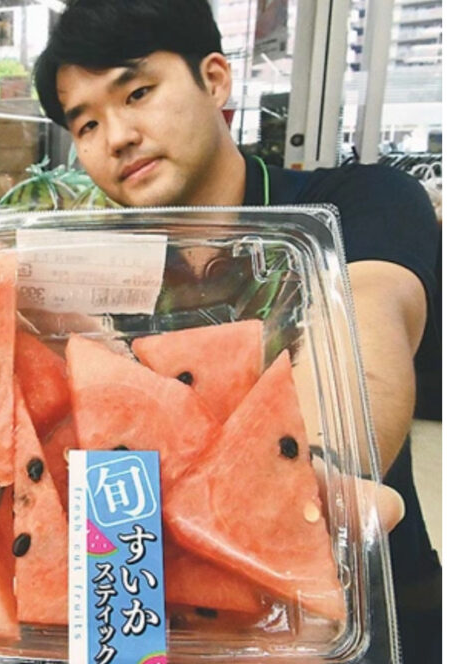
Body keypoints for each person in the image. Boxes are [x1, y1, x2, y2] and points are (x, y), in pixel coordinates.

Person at [33, 0, 441, 661]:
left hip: (364, 614)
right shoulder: (101, 272)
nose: (117, 137)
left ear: (215, 79)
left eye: (137, 92)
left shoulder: (360, 202)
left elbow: (368, 317)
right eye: (86, 124)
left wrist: (308, 477)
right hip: (176, 616)